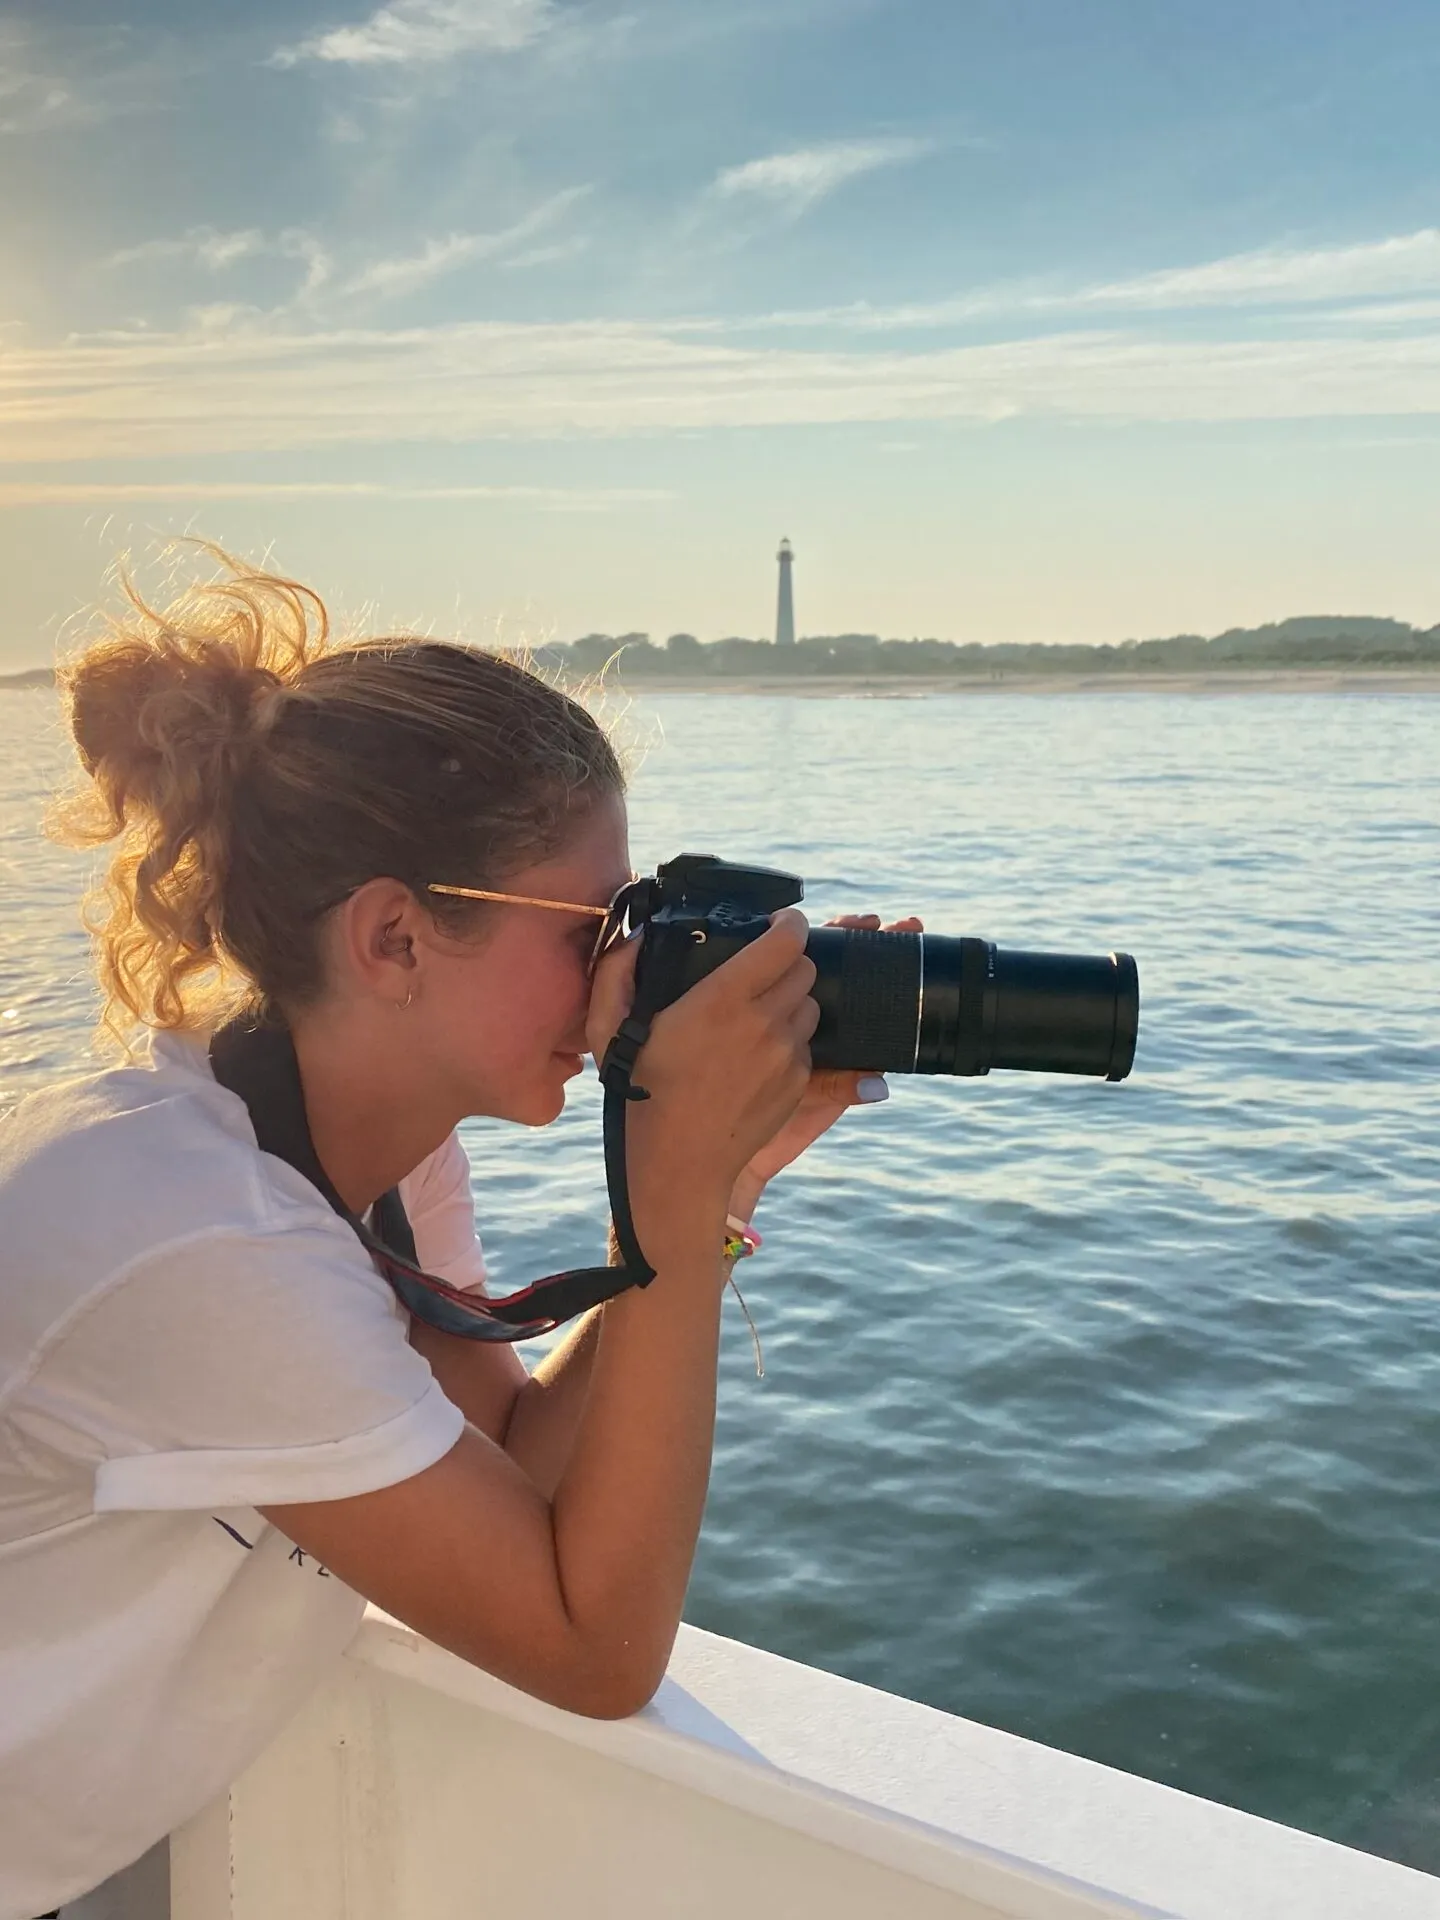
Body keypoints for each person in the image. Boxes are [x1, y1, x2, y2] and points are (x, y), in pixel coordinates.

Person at [0, 557, 914, 1920]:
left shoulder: (365, 1149)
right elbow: (594, 1654)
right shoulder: (192, 1227)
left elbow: (519, 1469)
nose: (628, 978)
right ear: (393, 939)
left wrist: (714, 1186)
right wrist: (669, 1176)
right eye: (598, 927)